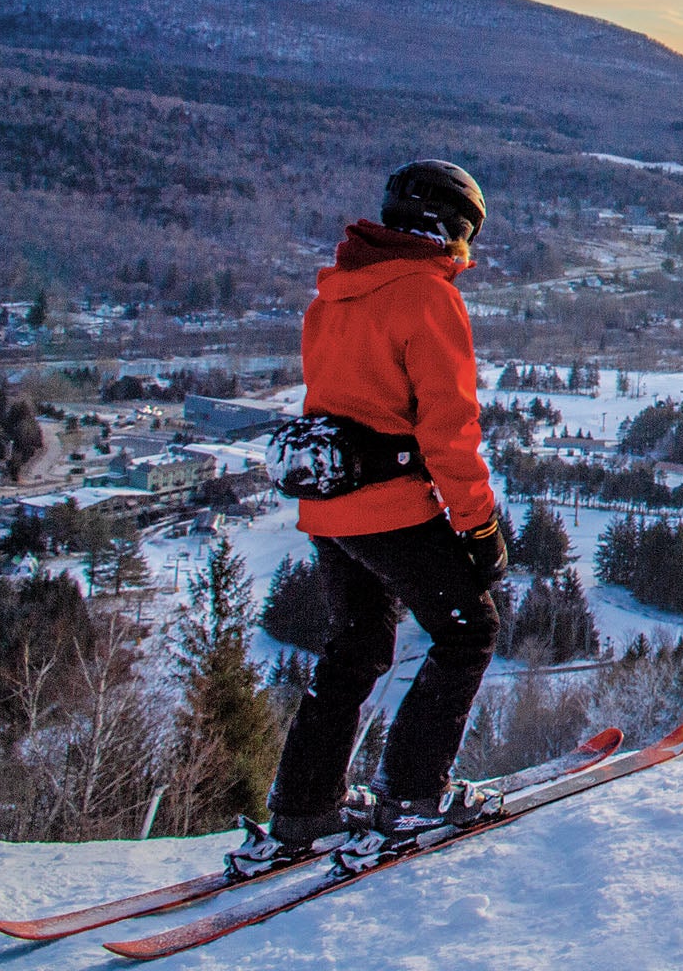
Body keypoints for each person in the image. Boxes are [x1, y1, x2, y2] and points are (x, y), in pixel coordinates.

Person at [233, 160, 509, 871]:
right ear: (452, 230)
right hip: (390, 506)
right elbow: (449, 428)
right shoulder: (426, 296)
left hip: (329, 509)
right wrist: (478, 528)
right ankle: (413, 795)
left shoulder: (335, 292)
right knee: (468, 630)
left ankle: (303, 808)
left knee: (355, 645)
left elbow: (335, 402)